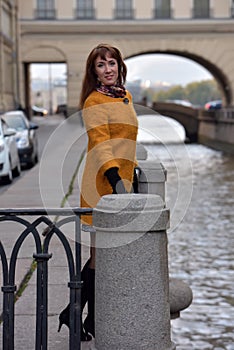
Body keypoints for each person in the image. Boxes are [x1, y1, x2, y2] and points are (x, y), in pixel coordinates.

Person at [58, 43, 139, 341]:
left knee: (101, 256)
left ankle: (84, 317)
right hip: (102, 183)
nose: (108, 69)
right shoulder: (93, 102)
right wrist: (116, 178)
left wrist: (131, 173)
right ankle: (76, 313)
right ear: (94, 72)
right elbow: (101, 142)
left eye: (112, 63)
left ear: (120, 66)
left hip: (122, 182)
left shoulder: (125, 97)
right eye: (101, 65)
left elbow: (125, 139)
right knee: (98, 255)